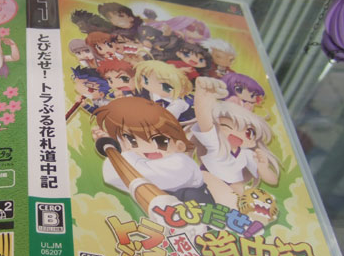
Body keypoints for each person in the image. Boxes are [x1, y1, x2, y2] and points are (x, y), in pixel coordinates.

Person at [92, 96, 214, 204]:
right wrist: (114, 143)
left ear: (179, 146)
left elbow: (150, 177)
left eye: (160, 141)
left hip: (196, 207)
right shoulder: (138, 158)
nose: (147, 147)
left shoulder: (180, 162)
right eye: (132, 140)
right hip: (165, 209)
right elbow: (114, 178)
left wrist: (121, 151)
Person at [190, 77, 279, 209]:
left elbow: (273, 180)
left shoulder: (247, 154)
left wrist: (263, 168)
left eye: (248, 132)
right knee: (227, 198)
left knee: (243, 200)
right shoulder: (215, 143)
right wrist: (202, 95)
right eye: (228, 126)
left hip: (233, 187)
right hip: (207, 179)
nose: (238, 134)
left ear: (252, 141)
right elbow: (203, 117)